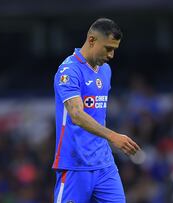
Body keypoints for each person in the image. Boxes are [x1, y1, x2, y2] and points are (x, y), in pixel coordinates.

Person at [52, 18, 141, 203]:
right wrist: (113, 136)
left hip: (104, 165)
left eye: (115, 49)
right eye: (108, 48)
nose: (111, 55)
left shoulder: (105, 70)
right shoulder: (68, 71)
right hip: (75, 165)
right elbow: (76, 114)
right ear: (92, 40)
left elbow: (98, 115)